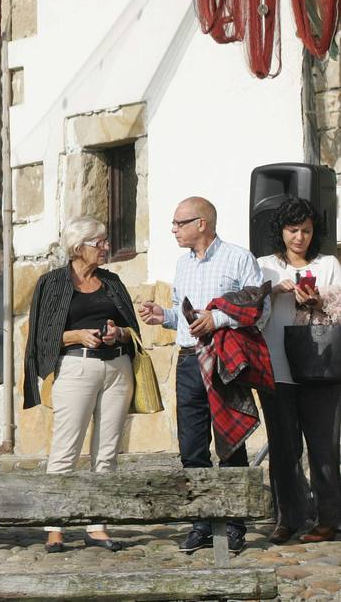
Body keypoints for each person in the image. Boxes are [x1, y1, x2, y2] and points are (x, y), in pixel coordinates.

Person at [138, 196, 265, 553]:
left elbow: (259, 307)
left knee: (231, 443)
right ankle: (201, 522)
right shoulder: (182, 265)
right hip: (189, 361)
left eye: (179, 223)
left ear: (202, 224)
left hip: (224, 359)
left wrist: (219, 319)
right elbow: (184, 316)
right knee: (191, 447)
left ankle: (235, 524)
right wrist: (162, 315)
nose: (173, 229)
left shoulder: (238, 258)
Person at [23, 217, 139, 553]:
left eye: (105, 241)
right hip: (76, 367)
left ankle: (97, 525)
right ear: (78, 247)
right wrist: (75, 335)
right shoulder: (52, 283)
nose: (105, 247)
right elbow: (41, 337)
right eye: (99, 242)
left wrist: (120, 333)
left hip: (117, 368)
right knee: (65, 450)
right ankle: (55, 527)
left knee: (107, 453)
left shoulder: (113, 282)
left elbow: (133, 330)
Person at [255, 197, 341, 544]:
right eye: (293, 230)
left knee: (324, 447)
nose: (300, 237)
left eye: (306, 230)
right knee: (283, 448)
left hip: (321, 367)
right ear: (281, 231)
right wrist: (273, 292)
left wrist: (319, 301)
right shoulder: (264, 266)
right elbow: (252, 315)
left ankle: (327, 519)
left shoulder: (328, 264)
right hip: (276, 367)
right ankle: (287, 518)